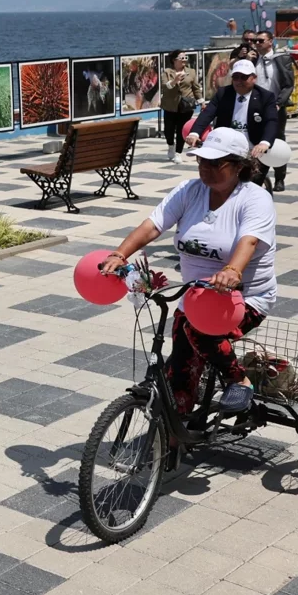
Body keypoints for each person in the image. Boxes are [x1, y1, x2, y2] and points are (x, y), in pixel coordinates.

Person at [101, 128, 276, 414]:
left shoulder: (254, 198)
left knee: (202, 332)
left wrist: (232, 270)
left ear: (239, 166)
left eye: (215, 163)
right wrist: (119, 254)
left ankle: (239, 380)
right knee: (179, 376)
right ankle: (174, 433)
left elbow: (250, 240)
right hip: (195, 299)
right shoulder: (188, 191)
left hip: (245, 298)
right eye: (201, 161)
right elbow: (153, 225)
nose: (205, 168)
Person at [187, 60, 278, 187]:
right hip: (226, 148)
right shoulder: (223, 93)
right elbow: (207, 114)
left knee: (252, 185)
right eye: (235, 77)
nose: (239, 81)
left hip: (253, 149)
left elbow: (271, 121)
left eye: (244, 77)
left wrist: (264, 143)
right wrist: (194, 133)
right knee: (220, 181)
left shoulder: (266, 96)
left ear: (254, 78)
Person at [254, 31, 295, 191]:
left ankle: (280, 177)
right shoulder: (253, 60)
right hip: (257, 108)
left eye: (260, 41)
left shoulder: (281, 59)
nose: (257, 44)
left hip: (275, 107)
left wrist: (278, 103)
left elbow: (288, 84)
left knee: (277, 141)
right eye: (255, 41)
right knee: (258, 140)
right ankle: (259, 176)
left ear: (270, 41)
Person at [160, 51, 200, 164]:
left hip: (186, 106)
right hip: (170, 106)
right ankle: (171, 146)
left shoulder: (191, 72)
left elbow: (196, 88)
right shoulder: (167, 72)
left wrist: (201, 101)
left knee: (181, 130)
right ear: (174, 60)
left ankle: (178, 153)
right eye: (181, 58)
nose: (184, 60)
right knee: (168, 130)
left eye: (185, 57)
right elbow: (165, 86)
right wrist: (174, 81)